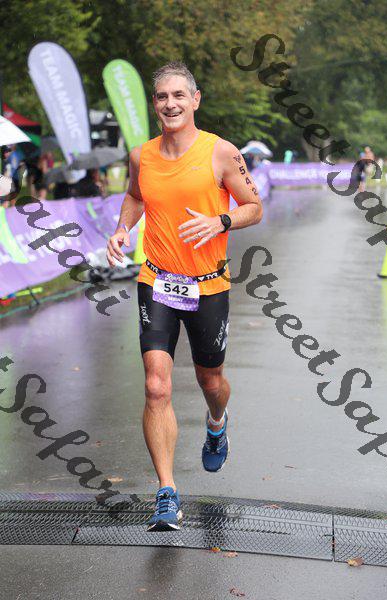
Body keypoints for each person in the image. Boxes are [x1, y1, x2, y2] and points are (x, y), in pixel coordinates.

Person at [106, 62, 262, 531]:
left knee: (210, 381)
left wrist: (222, 221)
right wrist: (122, 229)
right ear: (155, 104)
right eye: (162, 96)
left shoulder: (222, 152)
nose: (170, 104)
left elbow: (254, 206)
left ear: (195, 100)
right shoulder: (142, 155)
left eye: (179, 95)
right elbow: (136, 196)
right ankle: (167, 492)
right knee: (156, 385)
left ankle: (217, 423)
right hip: (156, 281)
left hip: (208, 283)